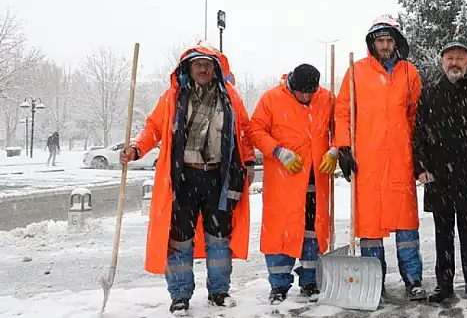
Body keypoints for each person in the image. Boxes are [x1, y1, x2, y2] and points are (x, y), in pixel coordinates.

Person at [120, 42, 255, 314]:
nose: (202, 69)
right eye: (197, 64)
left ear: (215, 68)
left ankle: (219, 291)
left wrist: (249, 161)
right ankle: (180, 295)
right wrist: (135, 148)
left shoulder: (230, 97)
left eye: (207, 64)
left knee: (219, 237)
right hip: (184, 179)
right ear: (188, 68)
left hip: (219, 177)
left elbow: (244, 132)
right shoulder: (173, 97)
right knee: (179, 239)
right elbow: (153, 128)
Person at [334, 16, 426, 300]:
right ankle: (375, 281)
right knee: (370, 226)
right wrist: (344, 148)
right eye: (380, 40)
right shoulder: (356, 71)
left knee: (407, 225)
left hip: (400, 159)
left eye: (389, 40)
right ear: (371, 43)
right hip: (368, 161)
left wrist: (419, 154)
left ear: (396, 42)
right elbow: (343, 112)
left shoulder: (409, 73)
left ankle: (413, 280)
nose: (385, 45)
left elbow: (416, 116)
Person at [412, 40, 467, 305]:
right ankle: (444, 285)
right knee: (443, 235)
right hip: (439, 177)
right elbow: (419, 135)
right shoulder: (429, 94)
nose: (454, 63)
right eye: (450, 58)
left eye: (460, 58)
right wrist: (422, 168)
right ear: (442, 62)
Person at [249, 64, 337, 305]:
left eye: (311, 92)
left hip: (316, 179)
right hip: (283, 182)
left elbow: (342, 124)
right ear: (292, 85)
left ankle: (310, 280)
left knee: (312, 232)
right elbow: (255, 130)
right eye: (303, 93)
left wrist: (335, 148)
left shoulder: (326, 98)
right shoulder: (272, 99)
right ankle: (279, 285)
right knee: (281, 232)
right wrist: (278, 151)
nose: (307, 97)